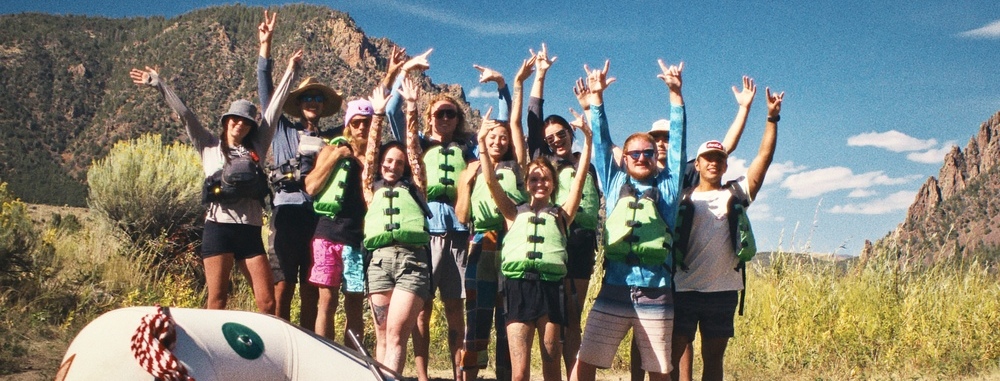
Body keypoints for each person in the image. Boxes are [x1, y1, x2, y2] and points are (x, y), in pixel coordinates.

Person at [128, 49, 301, 315]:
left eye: (245, 122)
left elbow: (274, 110)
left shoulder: (257, 145)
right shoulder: (208, 144)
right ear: (226, 121)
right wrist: (158, 83)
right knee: (217, 300)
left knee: (267, 302)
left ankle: (263, 354)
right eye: (235, 119)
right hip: (218, 229)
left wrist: (291, 71)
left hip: (250, 231)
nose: (239, 125)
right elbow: (185, 115)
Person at [384, 49, 513, 381]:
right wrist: (405, 71)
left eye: (451, 114)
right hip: (426, 236)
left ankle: (460, 374)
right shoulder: (417, 145)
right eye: (440, 114)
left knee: (457, 310)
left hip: (459, 235)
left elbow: (500, 131)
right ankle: (422, 375)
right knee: (421, 312)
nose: (445, 119)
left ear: (458, 120)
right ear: (429, 117)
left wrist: (502, 87)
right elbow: (392, 111)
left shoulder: (468, 149)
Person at [625, 76, 758, 381]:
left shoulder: (683, 172)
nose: (661, 143)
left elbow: (724, 147)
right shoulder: (637, 173)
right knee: (642, 333)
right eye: (655, 139)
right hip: (644, 264)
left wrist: (744, 109)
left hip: (676, 267)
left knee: (678, 339)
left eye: (666, 137)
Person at [570, 59, 686, 381]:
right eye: (634, 153)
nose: (641, 157)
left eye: (648, 152)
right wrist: (597, 99)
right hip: (614, 289)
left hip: (656, 291)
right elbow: (602, 142)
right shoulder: (613, 182)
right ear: (625, 159)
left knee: (659, 371)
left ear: (655, 157)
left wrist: (676, 96)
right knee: (584, 361)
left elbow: (677, 146)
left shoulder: (667, 188)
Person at [669, 88, 783, 381]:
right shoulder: (680, 199)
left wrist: (772, 118)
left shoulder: (736, 193)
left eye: (718, 158)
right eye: (707, 157)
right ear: (697, 164)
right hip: (683, 288)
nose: (713, 162)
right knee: (674, 354)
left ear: (725, 164)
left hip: (723, 291)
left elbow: (764, 158)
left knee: (713, 358)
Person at [480, 104, 593, 381]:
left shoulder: (562, 215)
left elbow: (578, 181)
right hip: (518, 289)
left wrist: (588, 141)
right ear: (527, 183)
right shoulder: (512, 212)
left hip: (551, 290)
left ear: (553, 184)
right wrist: (482, 144)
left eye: (545, 179)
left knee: (551, 367)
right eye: (533, 179)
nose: (539, 183)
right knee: (519, 374)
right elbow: (492, 182)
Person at [258, 11, 343, 327]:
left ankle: (307, 350)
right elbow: (267, 95)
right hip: (285, 214)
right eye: (307, 97)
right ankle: (280, 349)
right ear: (299, 102)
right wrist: (266, 48)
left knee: (311, 288)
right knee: (283, 286)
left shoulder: (331, 138)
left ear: (323, 106)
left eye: (318, 98)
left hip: (317, 219)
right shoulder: (282, 130)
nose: (313, 102)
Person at [523, 44, 603, 377]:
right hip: (555, 239)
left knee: (574, 315)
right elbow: (533, 117)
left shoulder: (589, 167)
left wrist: (594, 105)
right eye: (550, 137)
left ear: (572, 133)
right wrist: (540, 75)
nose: (556, 140)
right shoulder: (546, 163)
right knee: (557, 315)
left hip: (583, 241)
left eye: (561, 134)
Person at [453, 61, 528, 381]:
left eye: (502, 137)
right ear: (484, 139)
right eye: (491, 136)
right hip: (481, 244)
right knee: (477, 317)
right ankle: (469, 376)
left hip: (512, 244)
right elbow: (462, 215)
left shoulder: (517, 167)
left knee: (508, 319)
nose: (499, 140)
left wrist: (509, 84)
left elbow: (515, 122)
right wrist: (466, 183)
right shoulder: (471, 168)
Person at [362, 78, 430, 375]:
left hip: (411, 263)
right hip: (378, 264)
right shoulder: (370, 188)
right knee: (381, 336)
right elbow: (369, 155)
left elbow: (414, 152)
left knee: (395, 335)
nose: (393, 166)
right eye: (388, 161)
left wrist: (412, 107)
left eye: (398, 163)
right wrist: (377, 115)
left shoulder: (416, 187)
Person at [302, 99, 372, 347]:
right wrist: (338, 156)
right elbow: (311, 186)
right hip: (328, 233)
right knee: (327, 301)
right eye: (356, 123)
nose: (361, 128)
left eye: (367, 123)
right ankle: (324, 358)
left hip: (357, 238)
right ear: (348, 125)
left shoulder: (375, 159)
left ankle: (354, 362)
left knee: (354, 302)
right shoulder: (332, 150)